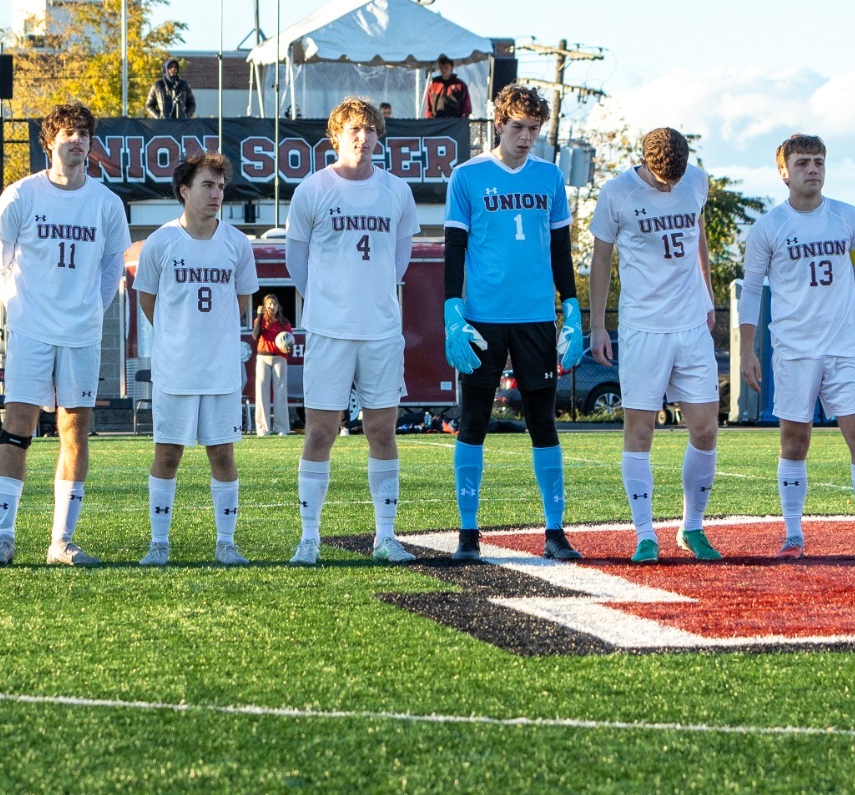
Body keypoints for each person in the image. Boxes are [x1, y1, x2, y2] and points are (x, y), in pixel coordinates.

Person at [736, 134, 855, 558]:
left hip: (843, 348)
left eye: (818, 161)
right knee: (795, 441)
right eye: (802, 162)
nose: (812, 169)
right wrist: (747, 349)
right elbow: (751, 292)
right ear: (784, 172)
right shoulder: (768, 228)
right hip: (794, 350)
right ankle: (793, 536)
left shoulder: (846, 216)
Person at [0, 101, 131, 566]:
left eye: (83, 133)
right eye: (67, 132)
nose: (76, 140)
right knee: (17, 426)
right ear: (48, 142)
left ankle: (60, 542)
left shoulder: (106, 203)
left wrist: (89, 311)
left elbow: (111, 270)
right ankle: (4, 538)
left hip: (80, 333)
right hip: (31, 329)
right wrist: (20, 308)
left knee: (75, 429)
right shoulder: (21, 195)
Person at [442, 84, 585, 562]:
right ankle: (468, 533)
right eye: (519, 127)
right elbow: (454, 249)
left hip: (536, 318)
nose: (526, 137)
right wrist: (452, 308)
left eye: (534, 129)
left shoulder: (549, 176)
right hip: (482, 318)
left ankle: (555, 531)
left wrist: (572, 307)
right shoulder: (467, 176)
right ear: (499, 123)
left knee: (543, 423)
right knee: (473, 422)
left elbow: (561, 249)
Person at [284, 97, 421, 564]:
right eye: (354, 130)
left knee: (382, 430)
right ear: (336, 137)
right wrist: (330, 301)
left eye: (371, 130)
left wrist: (372, 296)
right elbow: (296, 262)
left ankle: (386, 536)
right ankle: (309, 538)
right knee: (320, 431)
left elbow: (399, 261)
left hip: (381, 330)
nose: (363, 138)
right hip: (329, 330)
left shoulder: (397, 191)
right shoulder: (313, 189)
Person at [588, 128, 723, 563]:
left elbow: (699, 233)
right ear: (645, 162)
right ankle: (645, 535)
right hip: (643, 327)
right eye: (663, 180)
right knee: (640, 430)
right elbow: (601, 259)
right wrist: (597, 325)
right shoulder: (617, 193)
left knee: (705, 428)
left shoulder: (696, 180)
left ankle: (692, 527)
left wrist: (708, 293)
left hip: (691, 325)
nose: (669, 187)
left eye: (675, 180)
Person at [136, 152, 258, 565]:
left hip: (221, 371)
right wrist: (177, 336)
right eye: (207, 185)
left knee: (222, 455)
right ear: (184, 190)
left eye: (221, 187)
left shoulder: (237, 243)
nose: (216, 194)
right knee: (167, 455)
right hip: (175, 370)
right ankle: (159, 544)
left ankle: (226, 543)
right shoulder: (161, 242)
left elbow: (241, 301)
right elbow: (148, 300)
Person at [251, 294, 294, 436]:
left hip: (279, 358)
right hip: (263, 357)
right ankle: (263, 429)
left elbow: (289, 342)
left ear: (278, 306)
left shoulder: (283, 322)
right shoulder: (261, 320)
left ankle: (281, 428)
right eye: (269, 304)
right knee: (262, 392)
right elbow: (255, 336)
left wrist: (288, 348)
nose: (272, 307)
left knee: (280, 392)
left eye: (274, 304)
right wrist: (259, 315)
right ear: (264, 306)